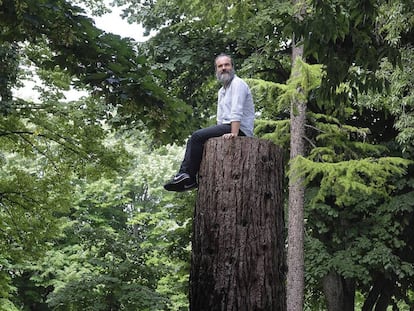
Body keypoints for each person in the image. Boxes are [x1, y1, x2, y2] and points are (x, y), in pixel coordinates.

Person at [163, 53, 255, 192]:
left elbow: (237, 111)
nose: (224, 68)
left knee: (197, 136)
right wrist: (217, 135)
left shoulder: (238, 84)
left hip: (239, 129)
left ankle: (186, 174)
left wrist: (234, 133)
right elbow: (220, 117)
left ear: (232, 67)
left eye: (227, 65)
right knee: (201, 140)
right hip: (226, 127)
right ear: (216, 70)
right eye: (220, 66)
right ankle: (190, 180)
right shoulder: (222, 91)